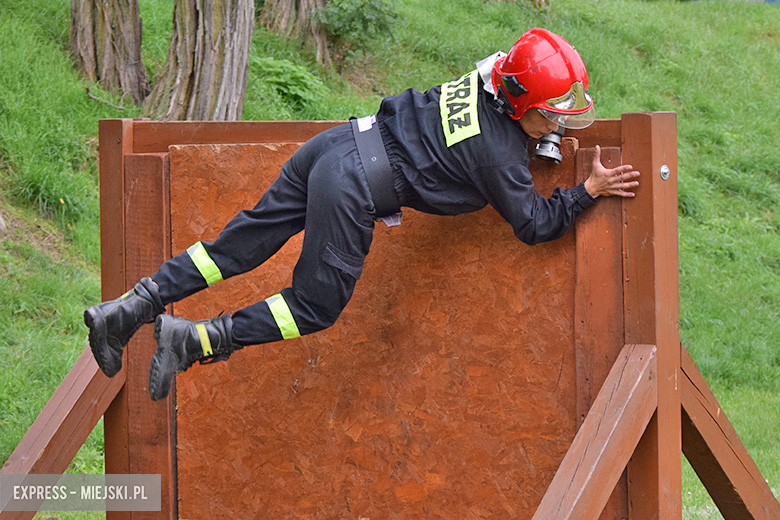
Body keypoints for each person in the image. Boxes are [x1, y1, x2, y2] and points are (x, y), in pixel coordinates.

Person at [84, 28, 640, 401]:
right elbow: (535, 224)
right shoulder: (497, 152)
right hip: (354, 186)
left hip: (334, 145)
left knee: (235, 249)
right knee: (312, 306)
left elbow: (499, 128)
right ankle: (195, 341)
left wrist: (537, 138)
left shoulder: (490, 73)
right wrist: (587, 190)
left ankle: (132, 307)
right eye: (552, 114)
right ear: (518, 103)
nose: (561, 124)